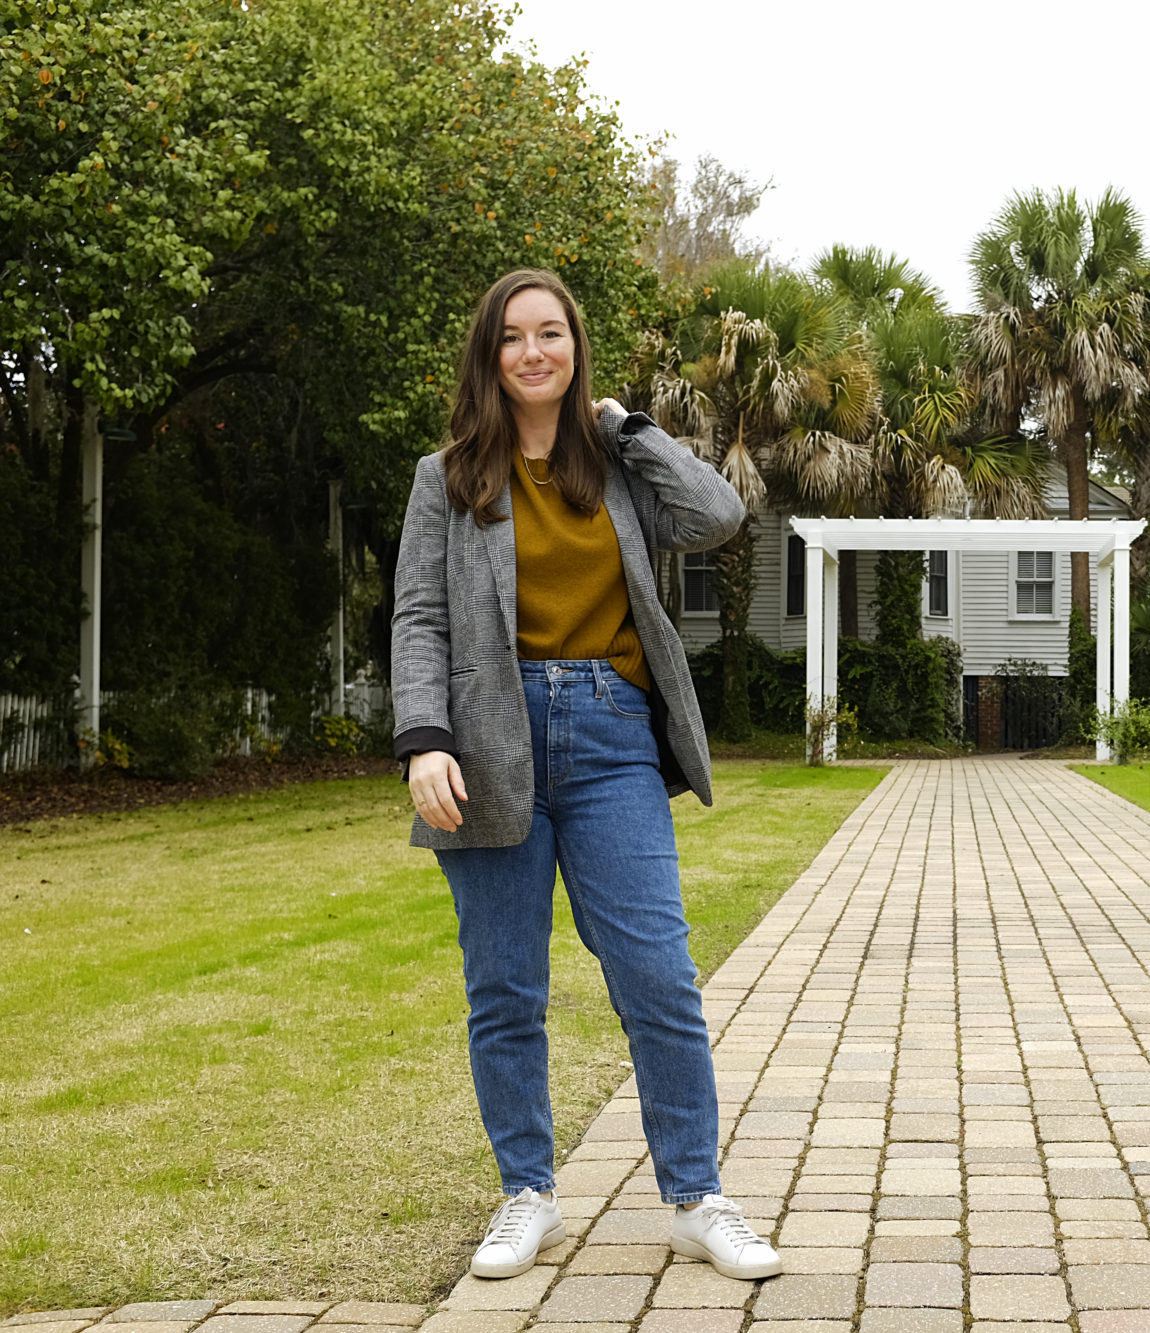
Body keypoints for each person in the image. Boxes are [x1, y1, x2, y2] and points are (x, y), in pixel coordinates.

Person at [389, 268, 780, 1282]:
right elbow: (419, 617)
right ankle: (529, 1194)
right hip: (484, 742)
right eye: (513, 336)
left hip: (610, 736)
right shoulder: (448, 477)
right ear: (489, 353)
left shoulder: (618, 463)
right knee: (505, 987)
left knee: (657, 975)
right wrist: (422, 739)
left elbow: (721, 513)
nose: (531, 351)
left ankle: (696, 1197)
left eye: (550, 333)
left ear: (574, 349)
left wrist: (630, 426)